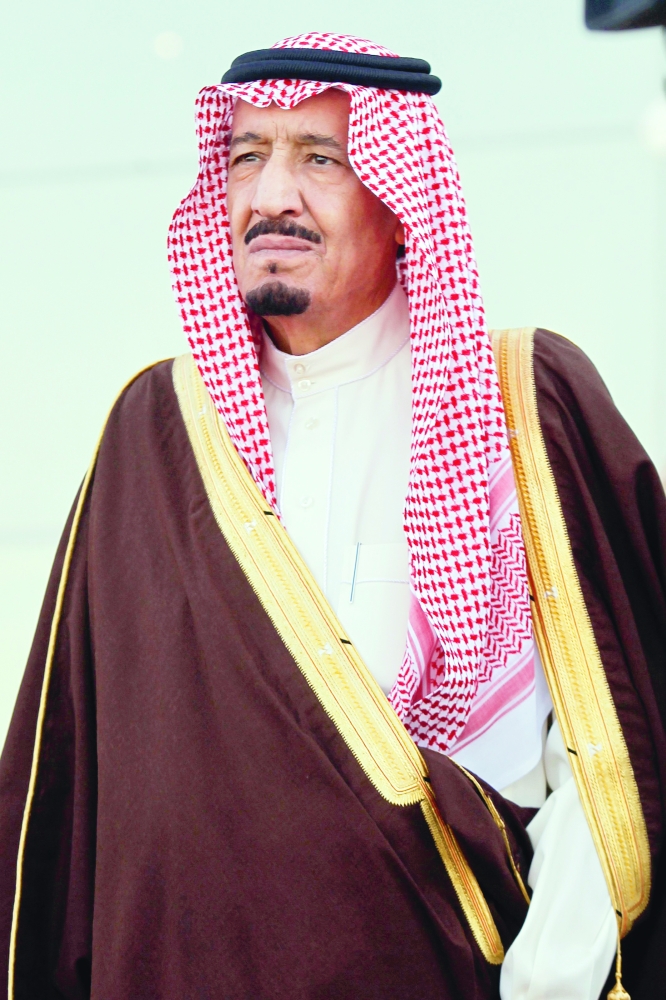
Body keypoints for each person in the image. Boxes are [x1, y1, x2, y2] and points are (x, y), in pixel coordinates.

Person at [1, 32, 664, 1000]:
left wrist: (549, 985)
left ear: (405, 205)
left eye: (321, 157)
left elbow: (616, 745)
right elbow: (67, 788)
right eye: (245, 158)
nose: (271, 195)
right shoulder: (153, 431)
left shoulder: (522, 399)